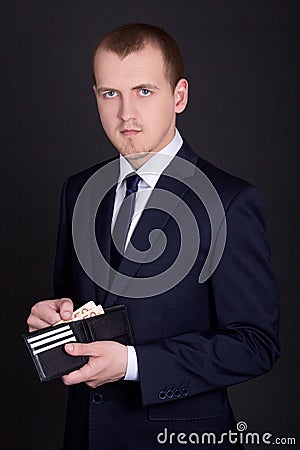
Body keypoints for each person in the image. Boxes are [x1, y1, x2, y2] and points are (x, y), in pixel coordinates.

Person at [27, 23, 280, 449]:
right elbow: (81, 306)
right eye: (111, 93)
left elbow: (255, 345)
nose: (126, 113)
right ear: (96, 97)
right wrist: (53, 320)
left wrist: (130, 363)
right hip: (85, 436)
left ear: (178, 96)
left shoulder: (231, 201)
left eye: (144, 91)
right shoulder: (78, 190)